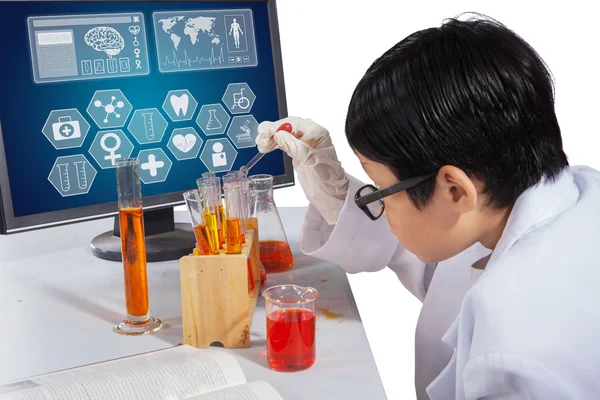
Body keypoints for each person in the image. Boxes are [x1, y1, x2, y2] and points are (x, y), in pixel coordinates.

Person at [256, 14, 600, 400]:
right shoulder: (572, 194)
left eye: (382, 191)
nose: (380, 205)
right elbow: (447, 261)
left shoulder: (515, 352)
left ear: (455, 190)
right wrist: (337, 193)